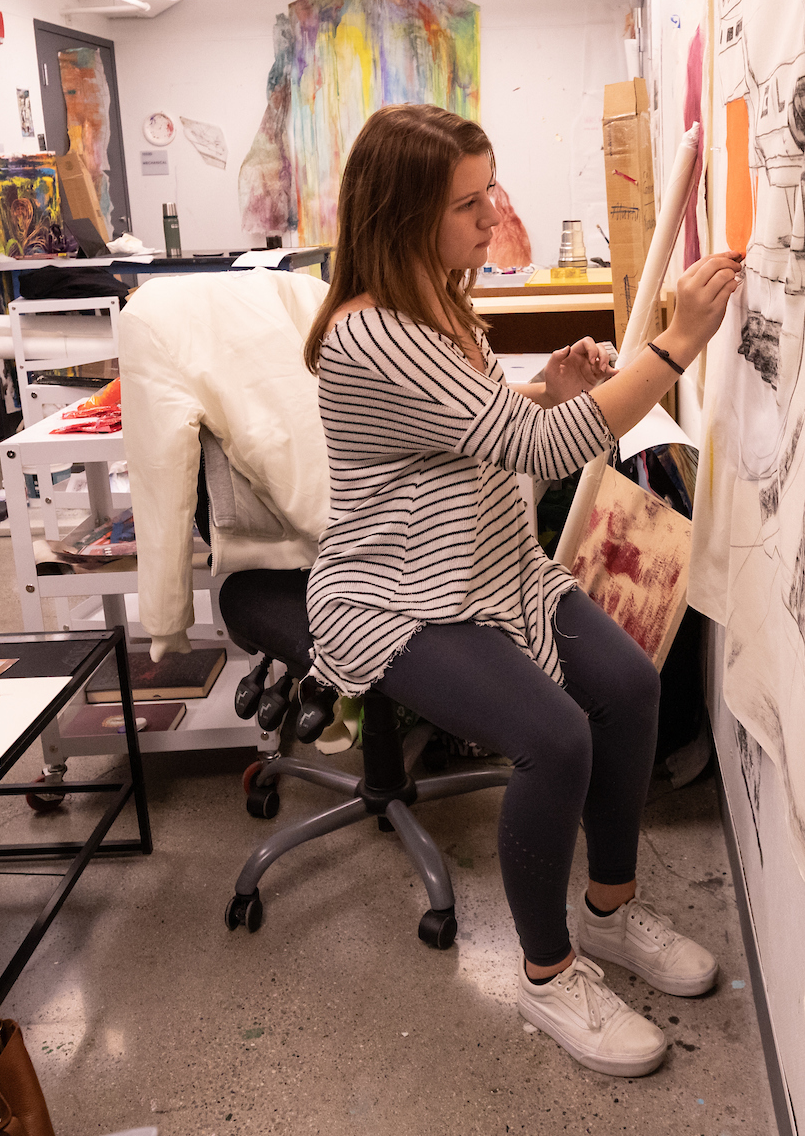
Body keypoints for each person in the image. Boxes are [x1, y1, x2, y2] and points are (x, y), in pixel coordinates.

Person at [304, 103, 745, 1077]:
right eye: (467, 201)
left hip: (489, 564)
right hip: (401, 594)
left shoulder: (436, 305)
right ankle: (548, 975)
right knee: (555, 736)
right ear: (403, 214)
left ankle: (613, 912)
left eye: (490, 188)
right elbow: (539, 449)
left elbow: (488, 427)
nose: (490, 213)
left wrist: (544, 385)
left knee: (627, 689)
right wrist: (672, 347)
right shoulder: (372, 333)